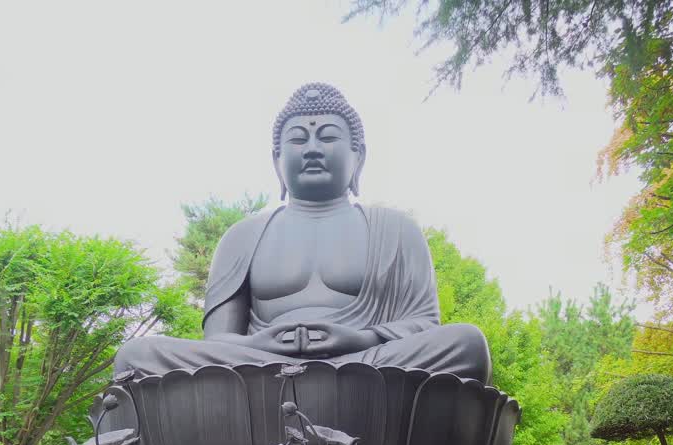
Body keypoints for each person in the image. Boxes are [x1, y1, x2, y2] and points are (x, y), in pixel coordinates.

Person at [114, 82, 491, 383]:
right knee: (137, 356)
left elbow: (424, 324)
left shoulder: (396, 229)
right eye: (297, 139)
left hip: (367, 361)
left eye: (327, 137)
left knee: (466, 344)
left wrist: (362, 338)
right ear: (276, 161)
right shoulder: (242, 237)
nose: (312, 149)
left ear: (358, 156)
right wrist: (260, 343)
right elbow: (218, 341)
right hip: (261, 366)